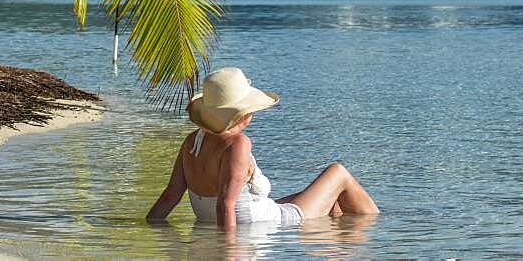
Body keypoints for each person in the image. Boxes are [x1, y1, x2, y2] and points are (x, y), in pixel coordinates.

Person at [146, 67, 379, 229]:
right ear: (243, 114)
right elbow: (225, 204)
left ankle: (344, 244)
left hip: (241, 217)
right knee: (338, 173)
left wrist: (151, 227)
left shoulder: (192, 142)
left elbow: (170, 196)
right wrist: (228, 250)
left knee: (334, 204)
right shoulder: (238, 144)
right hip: (257, 222)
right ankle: (377, 234)